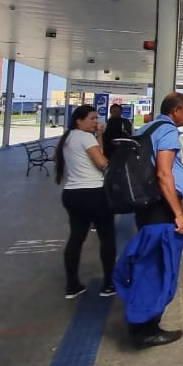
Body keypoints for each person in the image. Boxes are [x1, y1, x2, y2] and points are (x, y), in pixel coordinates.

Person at [114, 92, 183, 349]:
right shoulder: (168, 131)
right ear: (175, 111)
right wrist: (178, 213)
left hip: (146, 207)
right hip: (162, 210)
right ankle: (145, 330)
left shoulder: (146, 127)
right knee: (157, 268)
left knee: (148, 263)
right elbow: (163, 173)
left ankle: (144, 324)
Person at [54, 104, 117, 299]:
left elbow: (94, 153)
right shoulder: (85, 137)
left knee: (76, 238)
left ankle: (72, 285)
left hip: (72, 194)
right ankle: (109, 284)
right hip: (94, 193)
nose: (95, 122)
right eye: (91, 118)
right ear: (78, 120)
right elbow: (101, 163)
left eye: (96, 118)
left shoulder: (69, 137)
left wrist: (99, 136)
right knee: (107, 237)